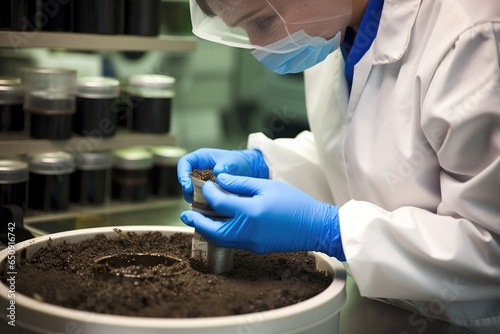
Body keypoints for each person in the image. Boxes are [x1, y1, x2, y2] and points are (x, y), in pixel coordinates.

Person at [177, 0, 500, 332]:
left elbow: (491, 247)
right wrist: (267, 166)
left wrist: (332, 231)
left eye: (261, 22)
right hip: (384, 311)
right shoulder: (330, 29)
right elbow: (356, 154)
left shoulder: (473, 35)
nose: (258, 48)